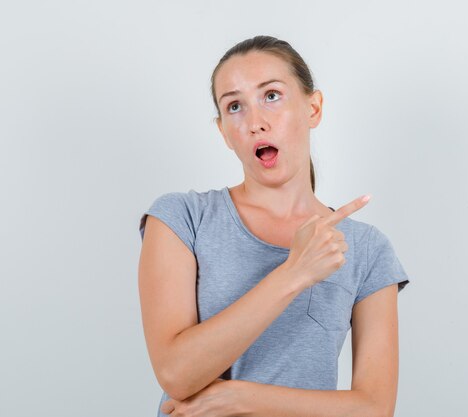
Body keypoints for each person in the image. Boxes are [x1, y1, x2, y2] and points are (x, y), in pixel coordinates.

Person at [138, 35, 410, 417]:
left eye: (271, 96)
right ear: (223, 132)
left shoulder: (367, 248)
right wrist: (294, 274)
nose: (254, 123)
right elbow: (176, 373)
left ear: (312, 108)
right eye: (234, 106)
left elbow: (374, 407)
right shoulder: (182, 218)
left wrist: (242, 399)